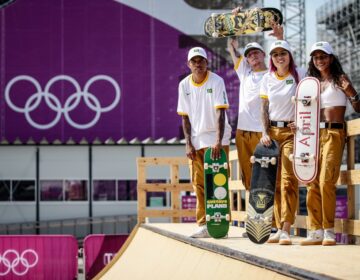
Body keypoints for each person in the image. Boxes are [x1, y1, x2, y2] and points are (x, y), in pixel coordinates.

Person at [300, 42, 360, 246]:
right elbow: (305, 111)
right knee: (312, 180)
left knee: (327, 180)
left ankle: (328, 230)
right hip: (313, 133)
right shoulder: (312, 83)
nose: (320, 60)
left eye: (323, 56)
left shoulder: (340, 79)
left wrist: (351, 91)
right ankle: (315, 230)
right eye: (316, 57)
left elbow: (358, 107)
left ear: (331, 58)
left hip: (334, 132)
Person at [227, 8, 284, 195]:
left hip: (263, 132)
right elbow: (231, 48)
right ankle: (255, 217)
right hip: (243, 131)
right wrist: (235, 22)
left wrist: (279, 37)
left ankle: (271, 219)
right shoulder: (244, 72)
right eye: (249, 54)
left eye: (256, 53)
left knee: (267, 174)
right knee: (248, 173)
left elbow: (283, 56)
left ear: (264, 55)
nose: (252, 56)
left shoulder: (272, 73)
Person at [177, 46, 232, 238]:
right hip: (196, 139)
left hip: (217, 139)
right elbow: (184, 117)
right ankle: (203, 224)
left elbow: (221, 112)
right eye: (194, 61)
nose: (198, 64)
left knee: (218, 182)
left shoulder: (217, 81)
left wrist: (218, 140)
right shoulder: (184, 85)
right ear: (189, 64)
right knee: (198, 183)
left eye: (201, 60)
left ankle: (221, 223)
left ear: (207, 63)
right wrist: (188, 143)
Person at [260, 40, 306, 245]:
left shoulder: (300, 74)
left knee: (288, 180)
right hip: (272, 133)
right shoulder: (267, 78)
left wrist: (302, 120)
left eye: (283, 53)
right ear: (271, 58)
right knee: (275, 182)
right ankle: (279, 228)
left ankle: (286, 227)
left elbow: (309, 101)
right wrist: (264, 131)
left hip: (290, 133)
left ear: (289, 55)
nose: (280, 57)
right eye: (275, 54)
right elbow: (264, 108)